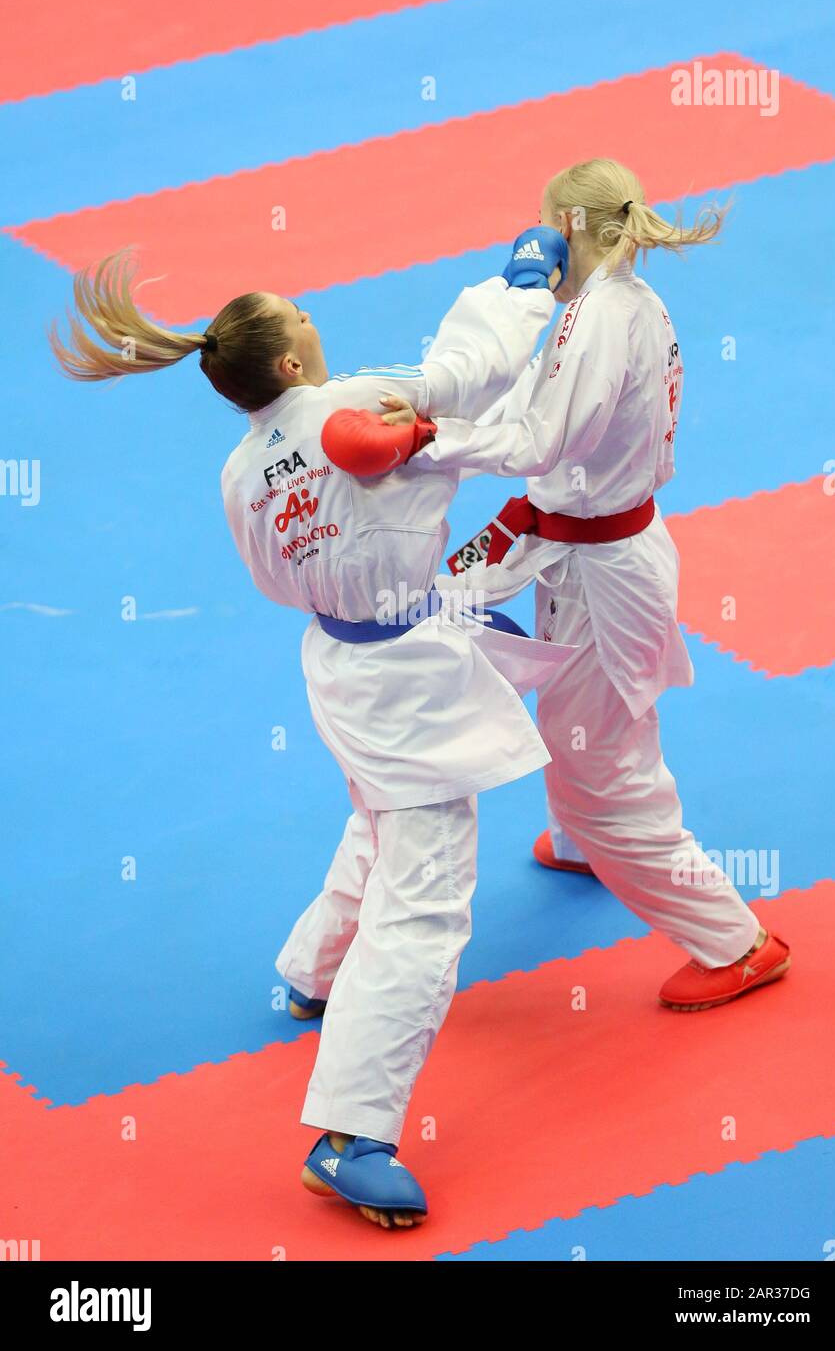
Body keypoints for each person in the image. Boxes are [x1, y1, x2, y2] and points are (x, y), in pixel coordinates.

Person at [49, 231, 571, 1229]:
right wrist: (516, 286)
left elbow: (269, 570)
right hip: (404, 679)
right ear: (290, 360)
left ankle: (309, 972)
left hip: (338, 663)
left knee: (377, 822)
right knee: (424, 901)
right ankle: (350, 1136)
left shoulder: (240, 469)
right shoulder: (354, 406)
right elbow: (468, 370)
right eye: (304, 314)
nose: (317, 316)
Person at [351, 158, 791, 1016]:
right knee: (592, 718)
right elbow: (527, 396)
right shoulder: (606, 305)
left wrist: (432, 441)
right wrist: (431, 408)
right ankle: (585, 840)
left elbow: (542, 443)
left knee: (600, 758)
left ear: (572, 226)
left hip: (602, 563)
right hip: (590, 548)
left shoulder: (603, 321)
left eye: (546, 220)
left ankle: (735, 941)